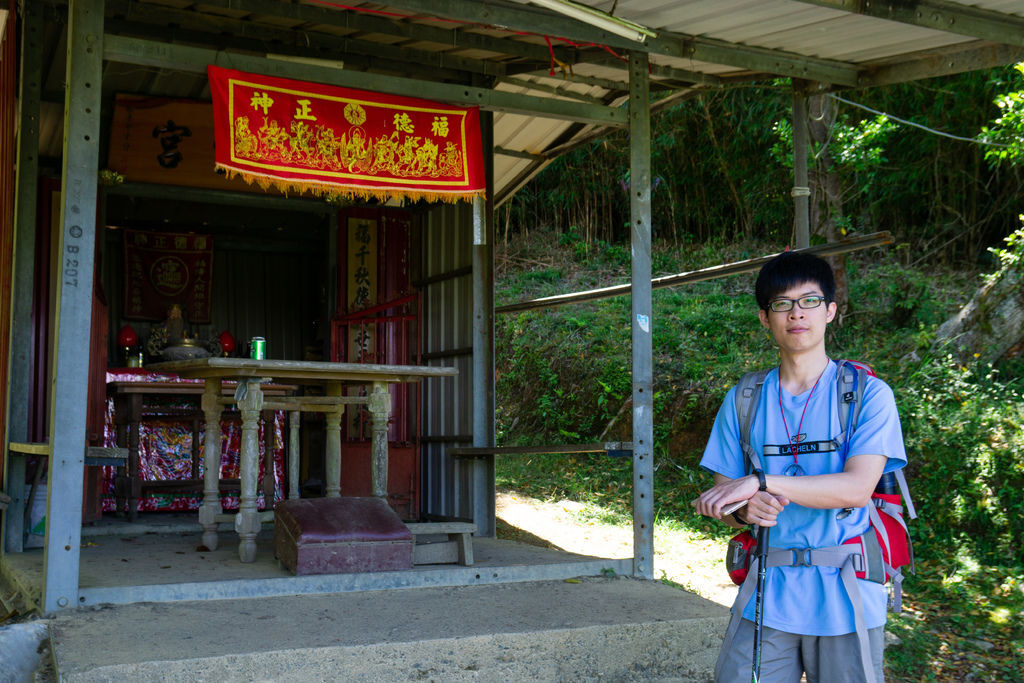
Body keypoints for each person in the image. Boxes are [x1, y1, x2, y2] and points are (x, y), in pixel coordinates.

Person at [693, 251, 907, 683]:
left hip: (848, 597)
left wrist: (761, 481)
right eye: (781, 303)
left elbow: (856, 488)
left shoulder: (868, 394)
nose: (796, 313)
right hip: (768, 592)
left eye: (809, 301)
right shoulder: (744, 399)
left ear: (830, 310)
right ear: (764, 317)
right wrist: (743, 510)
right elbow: (728, 494)